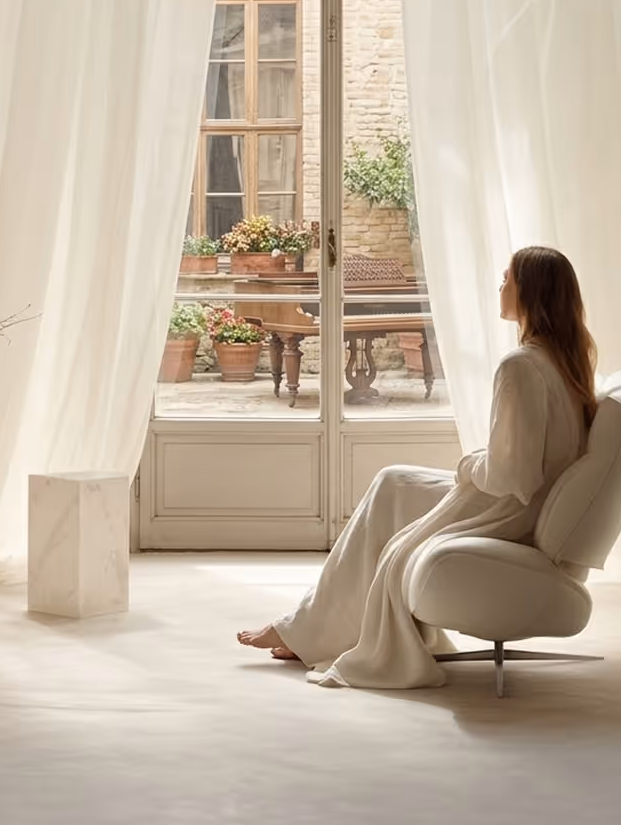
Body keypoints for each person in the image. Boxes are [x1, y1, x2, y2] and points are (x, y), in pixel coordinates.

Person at [237, 245, 598, 689]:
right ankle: (310, 626)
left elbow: (513, 476)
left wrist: (469, 466)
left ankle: (305, 631)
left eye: (508, 278)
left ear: (532, 293)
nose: (500, 285)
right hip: (528, 506)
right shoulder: (568, 359)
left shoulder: (521, 366)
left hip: (507, 512)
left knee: (394, 505)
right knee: (393, 482)